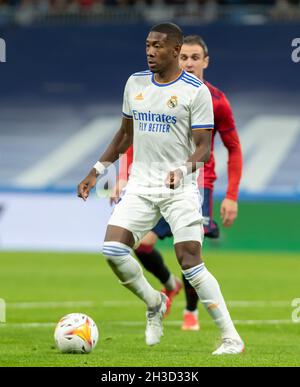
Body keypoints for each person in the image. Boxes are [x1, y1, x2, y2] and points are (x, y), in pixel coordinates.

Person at [78, 23, 244, 355]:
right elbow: (125, 135)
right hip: (140, 184)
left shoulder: (196, 92)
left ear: (174, 51)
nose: (151, 51)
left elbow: (204, 149)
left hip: (181, 189)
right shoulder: (134, 83)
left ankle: (231, 338)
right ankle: (154, 302)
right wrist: (97, 171)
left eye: (158, 46)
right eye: (147, 45)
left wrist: (183, 170)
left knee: (191, 263)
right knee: (112, 250)